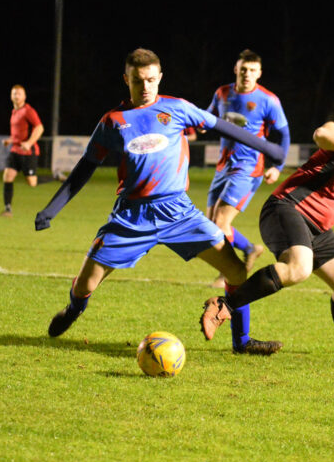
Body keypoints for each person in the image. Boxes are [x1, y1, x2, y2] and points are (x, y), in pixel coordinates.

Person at [34, 48, 286, 352]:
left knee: (236, 271)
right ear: (126, 79)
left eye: (151, 80)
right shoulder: (112, 121)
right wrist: (52, 209)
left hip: (179, 213)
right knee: (86, 284)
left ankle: (241, 342)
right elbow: (84, 169)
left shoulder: (178, 108)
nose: (145, 88)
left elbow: (224, 126)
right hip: (131, 216)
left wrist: (269, 150)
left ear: (160, 77)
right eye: (138, 81)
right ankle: (72, 311)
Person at [200, 113, 334, 358]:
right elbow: (323, 134)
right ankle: (223, 306)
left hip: (316, 227)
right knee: (298, 268)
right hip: (288, 208)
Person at [204, 49, 291, 354]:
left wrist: (276, 166)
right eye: (243, 70)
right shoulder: (222, 93)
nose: (246, 75)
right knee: (210, 228)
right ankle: (248, 248)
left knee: (219, 225)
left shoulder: (268, 100)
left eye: (252, 71)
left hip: (248, 168)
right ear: (236, 69)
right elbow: (208, 121)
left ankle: (230, 272)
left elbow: (283, 134)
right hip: (223, 166)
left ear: (259, 73)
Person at [1, 84, 44, 217]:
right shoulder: (14, 111)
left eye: (19, 93)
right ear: (11, 96)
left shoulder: (28, 111)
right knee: (8, 176)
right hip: (15, 150)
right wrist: (10, 140)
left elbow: (39, 128)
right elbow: (18, 133)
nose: (16, 95)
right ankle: (8, 209)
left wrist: (29, 143)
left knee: (32, 182)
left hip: (28, 152)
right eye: (14, 93)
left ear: (24, 96)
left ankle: (55, 176)